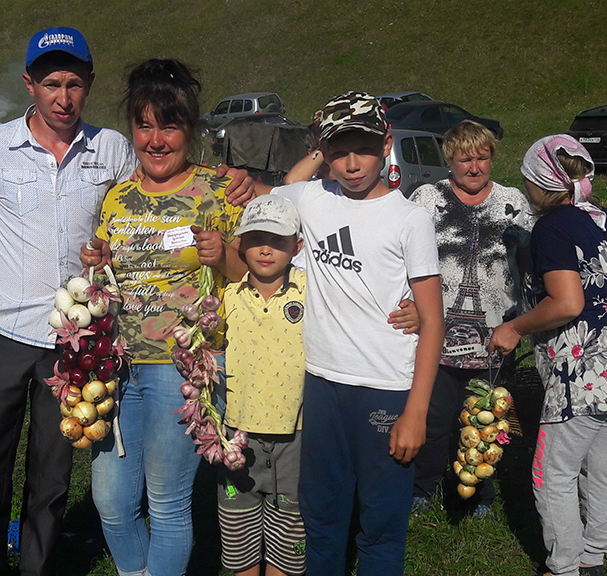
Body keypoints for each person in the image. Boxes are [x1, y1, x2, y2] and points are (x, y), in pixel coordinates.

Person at [0, 36, 252, 576]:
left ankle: (37, 568)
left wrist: (240, 179)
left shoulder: (113, 149)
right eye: (51, 84)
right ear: (30, 85)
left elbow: (169, 176)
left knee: (53, 474)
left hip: (74, 342)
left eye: (74, 84)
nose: (63, 97)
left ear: (89, 87)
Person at [79, 58, 249, 576]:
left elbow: (254, 272)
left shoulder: (219, 191)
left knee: (167, 502)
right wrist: (97, 261)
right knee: (111, 502)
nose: (155, 140)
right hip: (115, 369)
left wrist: (225, 255)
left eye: (169, 126)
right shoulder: (117, 197)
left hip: (183, 370)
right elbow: (107, 269)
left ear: (189, 130)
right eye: (144, 125)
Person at [270, 92, 444, 575]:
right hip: (322, 384)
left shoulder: (410, 219)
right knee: (321, 517)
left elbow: (433, 320)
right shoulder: (313, 198)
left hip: (386, 389)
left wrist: (416, 412)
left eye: (364, 149)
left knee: (381, 523)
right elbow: (283, 188)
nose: (351, 164)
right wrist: (320, 147)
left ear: (386, 145)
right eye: (338, 151)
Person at [489, 135, 607, 576]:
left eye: (528, 178)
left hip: (587, 368)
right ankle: (592, 559)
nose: (525, 187)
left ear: (543, 181)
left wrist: (513, 328)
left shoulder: (552, 227)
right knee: (601, 467)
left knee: (552, 472)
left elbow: (567, 303)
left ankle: (563, 567)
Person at [408, 120, 534, 516]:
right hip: (437, 333)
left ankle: (482, 493)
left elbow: (531, 260)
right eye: (465, 160)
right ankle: (423, 485)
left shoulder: (513, 202)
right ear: (450, 161)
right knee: (435, 417)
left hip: (498, 332)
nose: (475, 167)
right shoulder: (427, 199)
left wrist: (525, 318)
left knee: (490, 420)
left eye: (482, 158)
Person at [217, 194, 307, 576]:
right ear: (240, 245)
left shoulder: (311, 290)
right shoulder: (227, 295)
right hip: (237, 436)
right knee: (239, 535)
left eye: (277, 241)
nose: (266, 249)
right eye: (256, 239)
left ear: (296, 246)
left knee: (290, 532)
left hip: (296, 436)